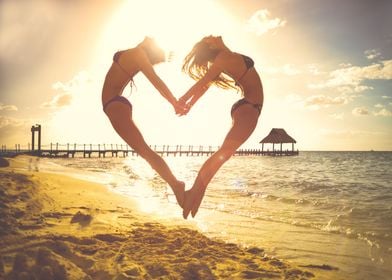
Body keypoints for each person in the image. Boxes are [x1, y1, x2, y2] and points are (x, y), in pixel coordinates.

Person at [179, 35, 264, 219]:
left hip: (247, 107)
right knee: (223, 154)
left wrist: (189, 104)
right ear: (210, 45)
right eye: (207, 38)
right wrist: (183, 101)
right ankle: (195, 193)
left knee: (223, 154)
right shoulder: (223, 58)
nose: (211, 35)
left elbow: (205, 87)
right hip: (249, 107)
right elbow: (202, 83)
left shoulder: (226, 55)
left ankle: (195, 193)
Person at [102, 36, 185, 207]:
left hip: (114, 105)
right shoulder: (136, 53)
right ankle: (174, 184)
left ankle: (176, 185)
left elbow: (156, 81)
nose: (148, 37)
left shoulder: (138, 54)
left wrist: (174, 102)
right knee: (143, 150)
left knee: (144, 151)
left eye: (151, 40)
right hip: (115, 104)